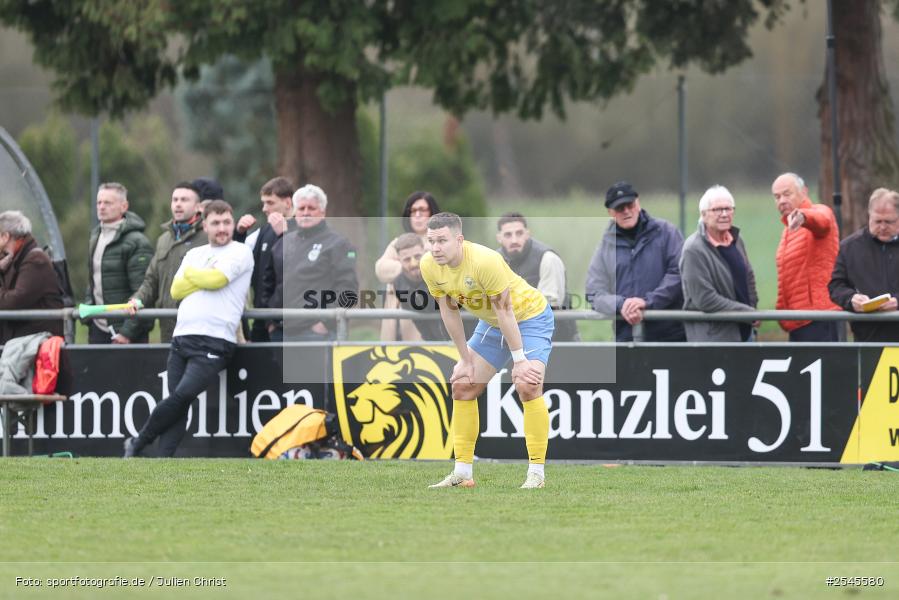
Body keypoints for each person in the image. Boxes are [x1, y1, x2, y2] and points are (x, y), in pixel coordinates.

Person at [421, 212, 553, 489]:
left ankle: (536, 475)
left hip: (529, 317)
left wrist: (519, 360)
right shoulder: (429, 265)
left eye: (442, 240)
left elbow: (505, 310)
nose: (435, 248)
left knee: (527, 384)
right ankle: (462, 473)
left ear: (459, 239)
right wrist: (464, 360)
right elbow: (448, 312)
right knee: (463, 385)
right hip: (492, 322)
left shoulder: (484, 260)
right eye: (431, 241)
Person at [124, 200, 253, 457]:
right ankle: (163, 460)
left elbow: (217, 280)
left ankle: (138, 442)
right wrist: (203, 276)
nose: (222, 228)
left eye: (227, 222)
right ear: (204, 225)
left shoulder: (240, 251)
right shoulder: (195, 253)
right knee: (179, 404)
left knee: (181, 396)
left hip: (215, 341)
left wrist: (195, 275)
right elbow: (175, 290)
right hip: (181, 338)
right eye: (216, 223)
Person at [585, 181, 685, 341]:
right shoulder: (605, 245)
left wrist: (647, 302)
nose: (626, 211)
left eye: (629, 205)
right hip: (625, 337)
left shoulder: (666, 232)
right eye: (619, 208)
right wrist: (621, 305)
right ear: (611, 212)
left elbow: (678, 274)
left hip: (669, 335)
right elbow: (593, 292)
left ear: (638, 204)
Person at [268, 184, 358, 341]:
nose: (306, 213)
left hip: (315, 333)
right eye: (301, 208)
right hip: (281, 332)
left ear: (322, 212)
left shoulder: (338, 244)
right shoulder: (284, 242)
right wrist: (270, 323)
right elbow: (268, 283)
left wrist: (325, 322)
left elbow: (348, 289)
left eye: (311, 208)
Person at [680, 185, 758, 342]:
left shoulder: (737, 240)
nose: (724, 214)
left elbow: (748, 276)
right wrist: (747, 313)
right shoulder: (693, 250)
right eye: (717, 210)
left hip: (746, 332)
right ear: (703, 214)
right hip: (714, 338)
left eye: (728, 209)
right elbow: (705, 299)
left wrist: (752, 308)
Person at [132, 182, 207, 342]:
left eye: (184, 200)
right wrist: (137, 299)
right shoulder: (163, 239)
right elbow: (151, 281)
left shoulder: (208, 238)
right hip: (167, 327)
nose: (178, 204)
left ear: (198, 207)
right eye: (175, 199)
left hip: (199, 326)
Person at [771, 172, 840, 341]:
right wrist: (783, 312)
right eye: (777, 197)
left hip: (819, 319)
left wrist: (803, 216)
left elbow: (821, 221)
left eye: (787, 194)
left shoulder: (820, 211)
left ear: (804, 192)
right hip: (797, 321)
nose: (781, 201)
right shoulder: (787, 231)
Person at [85, 182, 153, 344]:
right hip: (98, 328)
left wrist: (127, 333)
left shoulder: (138, 242)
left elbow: (144, 291)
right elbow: (93, 280)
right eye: (99, 202)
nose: (101, 207)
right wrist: (89, 318)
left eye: (108, 203)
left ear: (124, 206)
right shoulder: (95, 236)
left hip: (126, 333)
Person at [828, 188, 899, 342]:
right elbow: (836, 286)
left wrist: (897, 302)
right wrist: (851, 299)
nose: (882, 227)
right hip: (867, 337)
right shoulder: (849, 247)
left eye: (889, 222)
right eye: (877, 221)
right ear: (869, 217)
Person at [496, 212, 578, 341]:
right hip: (511, 340)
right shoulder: (494, 261)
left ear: (527, 234)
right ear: (499, 238)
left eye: (519, 233)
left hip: (557, 340)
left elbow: (548, 306)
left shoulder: (548, 259)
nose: (514, 240)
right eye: (508, 235)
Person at [235, 176, 296, 342]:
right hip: (262, 318)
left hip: (289, 322)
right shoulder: (264, 232)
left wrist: (286, 234)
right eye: (263, 202)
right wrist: (239, 235)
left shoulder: (303, 230)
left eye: (270, 203)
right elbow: (244, 263)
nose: (264, 208)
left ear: (288, 203)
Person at [0, 210, 63, 345]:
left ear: (5, 236)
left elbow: (13, 302)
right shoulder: (13, 258)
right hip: (23, 344)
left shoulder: (35, 260)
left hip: (35, 348)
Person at [380, 233, 447, 341]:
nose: (413, 263)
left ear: (425, 253)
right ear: (398, 260)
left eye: (417, 256)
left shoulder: (440, 272)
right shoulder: (399, 284)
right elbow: (419, 320)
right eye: (407, 259)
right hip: (432, 341)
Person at [374, 191, 440, 284]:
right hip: (400, 298)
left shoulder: (442, 242)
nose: (417, 215)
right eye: (413, 211)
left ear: (432, 212)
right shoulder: (400, 243)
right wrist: (408, 268)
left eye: (422, 210)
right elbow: (380, 269)